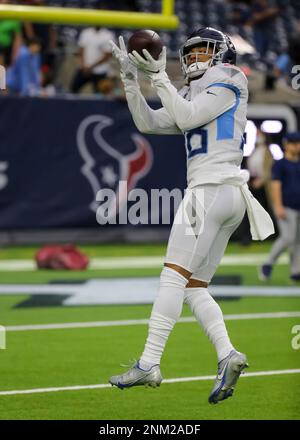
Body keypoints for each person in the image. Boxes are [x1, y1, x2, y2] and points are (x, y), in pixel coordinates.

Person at [109, 27, 274, 404]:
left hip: (210, 191)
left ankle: (149, 362)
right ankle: (227, 354)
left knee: (172, 275)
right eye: (192, 52)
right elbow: (149, 123)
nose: (196, 58)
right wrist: (131, 81)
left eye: (204, 51)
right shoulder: (194, 90)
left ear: (222, 54)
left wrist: (159, 77)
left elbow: (186, 117)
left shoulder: (228, 77)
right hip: (224, 196)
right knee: (194, 286)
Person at [260, 132, 300, 282]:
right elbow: (275, 185)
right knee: (288, 238)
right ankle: (268, 263)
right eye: (293, 143)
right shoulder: (280, 164)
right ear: (286, 144)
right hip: (286, 206)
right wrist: (277, 205)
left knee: (298, 240)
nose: (296, 146)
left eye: (298, 143)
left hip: (298, 205)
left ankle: (296, 271)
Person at [70, 26, 115, 94]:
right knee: (73, 89)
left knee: (101, 94)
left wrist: (91, 67)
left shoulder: (108, 35)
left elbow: (107, 55)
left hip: (100, 70)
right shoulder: (86, 33)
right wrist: (83, 65)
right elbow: (81, 50)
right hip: (84, 68)